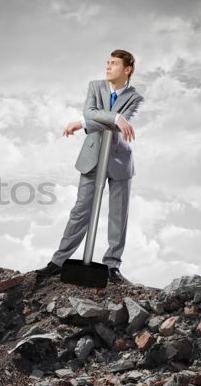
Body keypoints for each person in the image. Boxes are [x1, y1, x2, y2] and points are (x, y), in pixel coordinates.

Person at [34, 49, 145, 284]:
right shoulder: (95, 86)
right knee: (80, 210)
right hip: (93, 157)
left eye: (113, 64)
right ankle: (59, 261)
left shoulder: (136, 98)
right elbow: (90, 111)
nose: (108, 67)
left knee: (118, 214)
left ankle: (112, 265)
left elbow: (111, 124)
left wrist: (84, 123)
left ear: (127, 70)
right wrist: (115, 117)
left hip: (120, 161)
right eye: (107, 62)